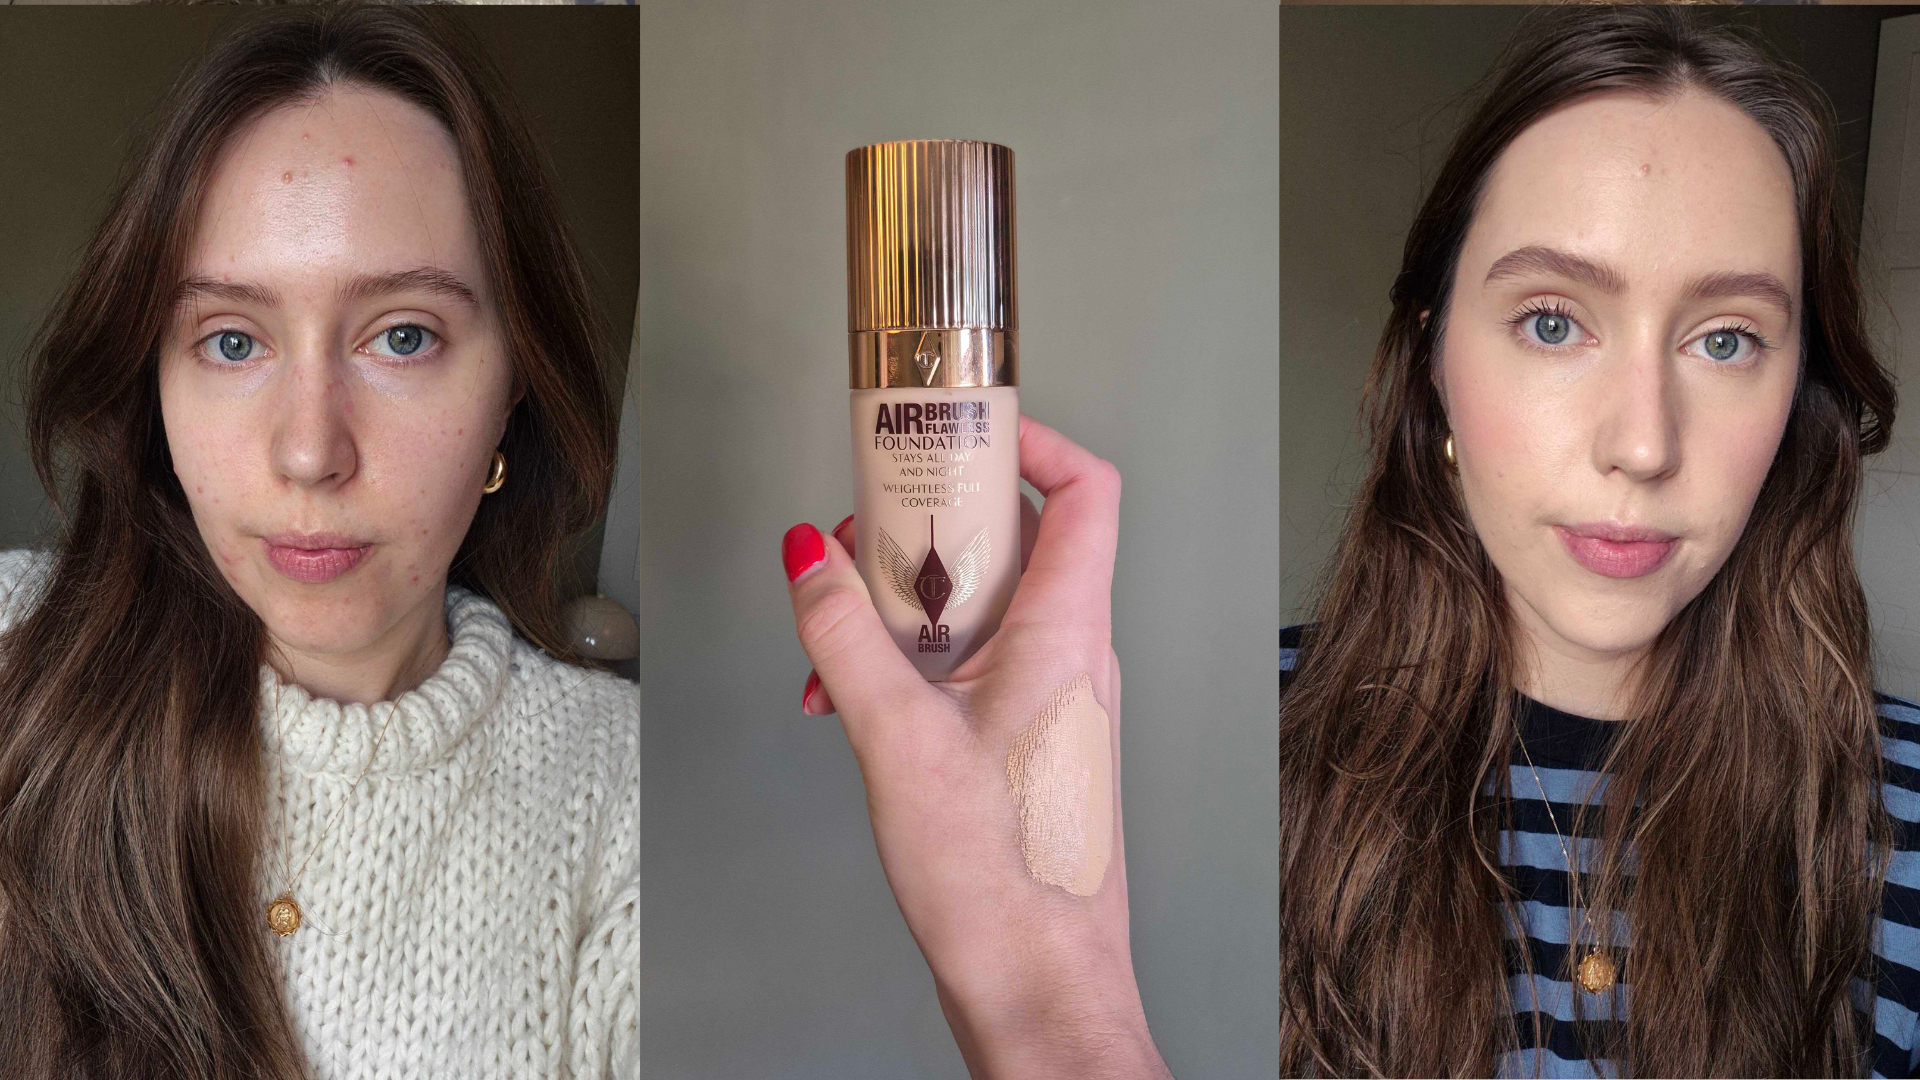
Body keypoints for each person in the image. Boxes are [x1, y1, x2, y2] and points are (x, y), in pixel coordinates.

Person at [1278, 7, 1916, 1077]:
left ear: (1797, 397)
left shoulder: (1898, 818)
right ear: (1435, 365)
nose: (1643, 444)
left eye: (1726, 340)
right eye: (1553, 321)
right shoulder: (1242, 753)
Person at [0, 8, 635, 1078]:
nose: (309, 452)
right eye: (233, 340)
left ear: (512, 383)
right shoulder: (17, 652)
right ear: (154, 383)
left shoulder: (624, 797)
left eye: (402, 336)